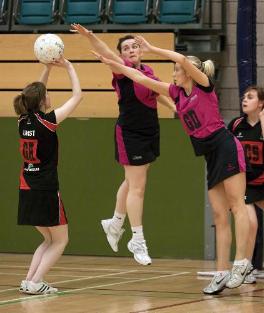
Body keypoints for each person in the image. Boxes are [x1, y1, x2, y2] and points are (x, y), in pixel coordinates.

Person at [92, 35, 251, 294]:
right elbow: (140, 78)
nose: (174, 73)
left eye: (177, 70)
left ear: (188, 72)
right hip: (209, 155)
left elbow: (180, 59)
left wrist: (152, 48)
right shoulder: (175, 93)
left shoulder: (203, 85)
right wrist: (112, 62)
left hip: (225, 147)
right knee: (220, 216)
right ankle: (222, 271)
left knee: (236, 206)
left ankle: (242, 262)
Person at [70, 24, 175, 266]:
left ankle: (115, 222)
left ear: (141, 50)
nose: (131, 50)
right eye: (126, 48)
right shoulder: (123, 70)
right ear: (122, 54)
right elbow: (106, 52)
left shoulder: (148, 71)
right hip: (130, 133)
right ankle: (137, 240)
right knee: (138, 187)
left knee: (131, 181)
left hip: (150, 131)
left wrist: (176, 108)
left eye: (134, 46)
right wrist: (91, 37)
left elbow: (157, 93)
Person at [14, 58, 82, 295]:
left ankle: (29, 280)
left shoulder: (23, 120)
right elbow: (77, 97)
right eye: (46, 94)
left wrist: (48, 68)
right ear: (42, 100)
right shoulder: (47, 122)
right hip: (45, 189)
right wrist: (70, 68)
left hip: (27, 187)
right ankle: (36, 281)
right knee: (61, 240)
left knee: (47, 240)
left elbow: (32, 94)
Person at [228, 86, 264, 283]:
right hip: (245, 183)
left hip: (263, 180)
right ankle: (245, 266)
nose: (244, 99)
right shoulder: (236, 125)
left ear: (260, 103)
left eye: (250, 97)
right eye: (244, 96)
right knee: (251, 223)